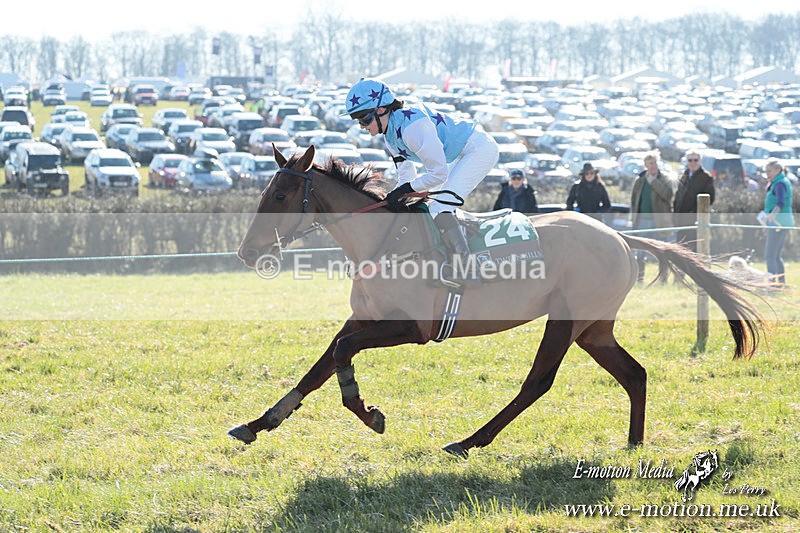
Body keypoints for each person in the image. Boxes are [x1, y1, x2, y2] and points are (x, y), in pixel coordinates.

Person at [344, 77, 499, 285]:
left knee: (440, 208)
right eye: (357, 121)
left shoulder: (412, 128)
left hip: (478, 149)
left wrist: (405, 190)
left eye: (364, 119)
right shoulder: (390, 137)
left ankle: (467, 268)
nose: (362, 126)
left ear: (381, 110)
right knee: (427, 207)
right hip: (458, 155)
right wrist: (396, 198)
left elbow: (438, 174)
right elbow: (406, 177)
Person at [630, 152, 676, 282]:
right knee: (640, 252)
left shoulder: (665, 178)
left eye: (655, 162)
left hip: (660, 222)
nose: (653, 166)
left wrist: (654, 182)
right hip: (642, 221)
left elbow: (668, 195)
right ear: (645, 165)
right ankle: (639, 279)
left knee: (662, 252)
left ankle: (663, 279)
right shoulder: (640, 180)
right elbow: (634, 201)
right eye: (650, 163)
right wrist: (633, 220)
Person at [760, 158, 794, 286]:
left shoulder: (779, 184)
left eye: (769, 171)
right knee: (776, 255)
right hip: (781, 222)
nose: (767, 173)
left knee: (770, 255)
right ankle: (781, 283)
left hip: (778, 223)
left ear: (778, 170)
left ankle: (773, 284)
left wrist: (771, 218)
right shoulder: (777, 182)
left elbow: (780, 202)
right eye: (766, 171)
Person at [673, 150, 714, 252]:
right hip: (681, 220)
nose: (693, 162)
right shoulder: (684, 175)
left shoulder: (706, 177)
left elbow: (710, 198)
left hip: (695, 221)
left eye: (695, 160)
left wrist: (693, 214)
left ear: (700, 161)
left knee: (694, 250)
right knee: (681, 249)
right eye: (690, 160)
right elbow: (678, 196)